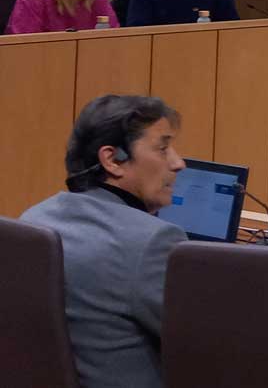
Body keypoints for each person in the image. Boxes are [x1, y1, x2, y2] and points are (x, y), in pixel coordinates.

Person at [20, 95, 187, 388]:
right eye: (162, 148)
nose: (178, 162)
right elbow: (214, 342)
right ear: (112, 160)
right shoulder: (153, 242)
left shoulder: (34, 219)